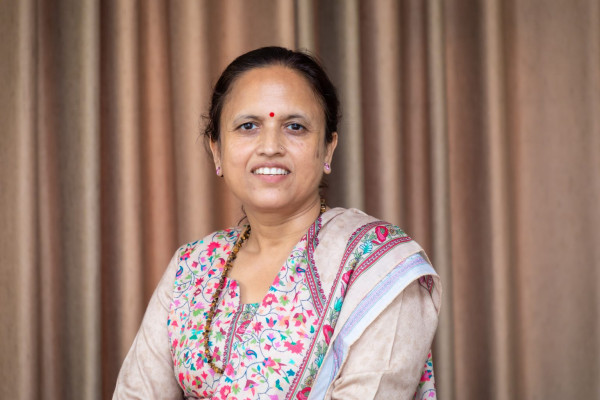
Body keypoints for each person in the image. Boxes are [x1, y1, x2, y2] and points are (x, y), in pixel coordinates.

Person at [114, 46, 441, 400]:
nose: (270, 146)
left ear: (328, 148)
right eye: (248, 126)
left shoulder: (378, 265)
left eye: (295, 127)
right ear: (217, 150)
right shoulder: (191, 268)